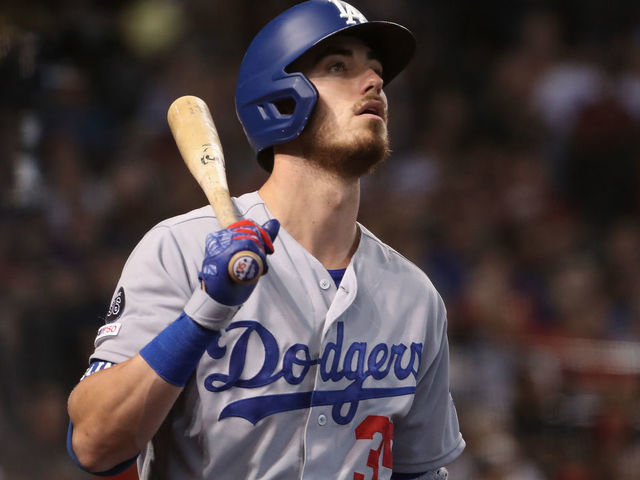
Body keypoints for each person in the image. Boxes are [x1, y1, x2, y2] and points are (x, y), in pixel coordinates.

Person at [66, 1, 465, 478]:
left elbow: (420, 470)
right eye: (339, 66)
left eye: (377, 70)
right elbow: (94, 443)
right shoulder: (181, 249)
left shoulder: (415, 296)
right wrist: (204, 312)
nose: (375, 82)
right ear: (280, 99)